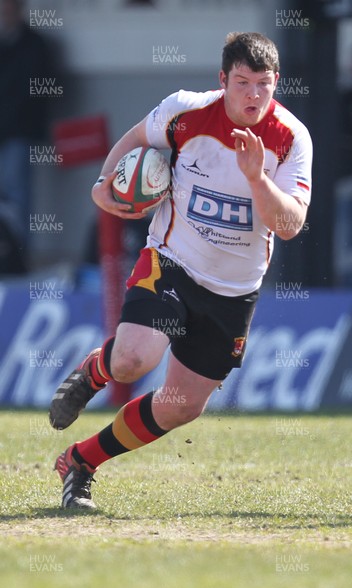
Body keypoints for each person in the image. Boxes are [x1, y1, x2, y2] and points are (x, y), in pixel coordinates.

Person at [49, 32, 312, 509]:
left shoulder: (291, 139)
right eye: (242, 82)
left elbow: (290, 225)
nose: (253, 95)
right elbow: (136, 138)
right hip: (172, 262)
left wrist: (256, 179)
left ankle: (80, 461)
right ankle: (97, 370)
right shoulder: (185, 110)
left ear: (278, 83)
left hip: (233, 293)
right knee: (133, 360)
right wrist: (103, 183)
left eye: (264, 85)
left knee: (181, 406)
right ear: (222, 80)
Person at [0, 0, 51, 272]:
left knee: (18, 197)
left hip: (18, 134)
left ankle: (17, 258)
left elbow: (33, 93)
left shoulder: (34, 44)